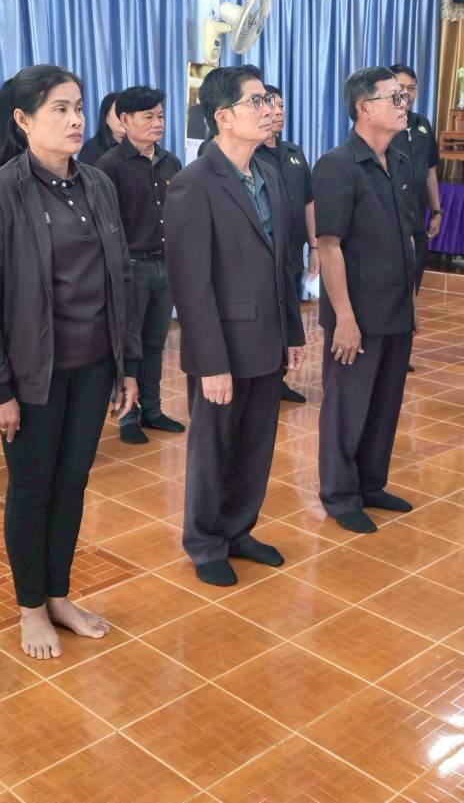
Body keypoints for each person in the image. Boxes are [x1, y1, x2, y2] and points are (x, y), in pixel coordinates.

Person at [0, 65, 140, 659]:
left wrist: (127, 366)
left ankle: (59, 594)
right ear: (22, 119)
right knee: (32, 488)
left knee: (73, 483)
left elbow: (120, 277)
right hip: (31, 374)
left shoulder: (98, 184)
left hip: (94, 366)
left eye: (79, 107)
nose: (75, 120)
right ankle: (30, 607)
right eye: (60, 108)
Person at [164, 65, 306, 586]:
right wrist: (211, 363)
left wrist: (293, 331)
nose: (269, 109)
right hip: (222, 343)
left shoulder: (269, 172)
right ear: (223, 117)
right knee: (214, 448)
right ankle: (205, 543)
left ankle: (239, 529)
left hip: (268, 336)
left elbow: (283, 261)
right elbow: (191, 284)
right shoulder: (192, 184)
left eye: (269, 99)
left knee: (256, 443)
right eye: (257, 101)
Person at [314, 67, 416, 534]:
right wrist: (344, 319)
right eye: (393, 97)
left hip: (396, 307)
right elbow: (329, 245)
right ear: (363, 108)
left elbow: (405, 236)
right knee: (348, 407)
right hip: (358, 312)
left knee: (385, 403)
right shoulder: (337, 164)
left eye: (404, 96)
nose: (403, 104)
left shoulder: (400, 160)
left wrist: (411, 304)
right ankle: (340, 494)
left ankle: (371, 483)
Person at [95, 86, 187, 444]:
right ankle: (127, 416)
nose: (157, 122)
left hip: (166, 266)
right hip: (130, 268)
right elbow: (106, 224)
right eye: (148, 116)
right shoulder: (109, 165)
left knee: (154, 343)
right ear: (125, 120)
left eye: (160, 116)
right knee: (127, 346)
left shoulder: (171, 162)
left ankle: (152, 408)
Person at [254, 83, 317, 404]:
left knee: (288, 313)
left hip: (293, 251)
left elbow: (309, 201)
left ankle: (278, 379)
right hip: (265, 254)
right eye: (271, 104)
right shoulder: (251, 154)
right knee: (267, 314)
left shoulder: (294, 153)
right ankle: (262, 378)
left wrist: (314, 247)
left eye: (281, 105)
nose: (278, 112)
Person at [389, 64, 443, 293]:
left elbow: (430, 171)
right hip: (389, 220)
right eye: (401, 87)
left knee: (413, 285)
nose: (407, 93)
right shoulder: (382, 125)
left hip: (417, 220)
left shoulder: (422, 124)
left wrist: (437, 212)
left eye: (412, 88)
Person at [78, 91, 126, 165]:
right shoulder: (91, 149)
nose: (124, 118)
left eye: (128, 113)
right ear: (106, 118)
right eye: (119, 113)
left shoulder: (137, 146)